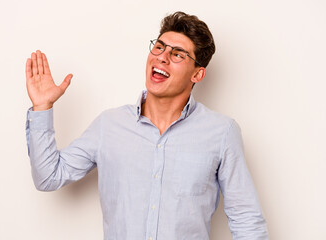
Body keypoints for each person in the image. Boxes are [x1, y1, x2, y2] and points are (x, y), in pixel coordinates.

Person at [25, 11, 268, 240]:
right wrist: (42, 107)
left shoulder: (221, 132)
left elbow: (246, 219)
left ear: (197, 75)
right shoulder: (109, 125)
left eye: (178, 54)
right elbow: (49, 177)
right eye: (159, 47)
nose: (162, 56)